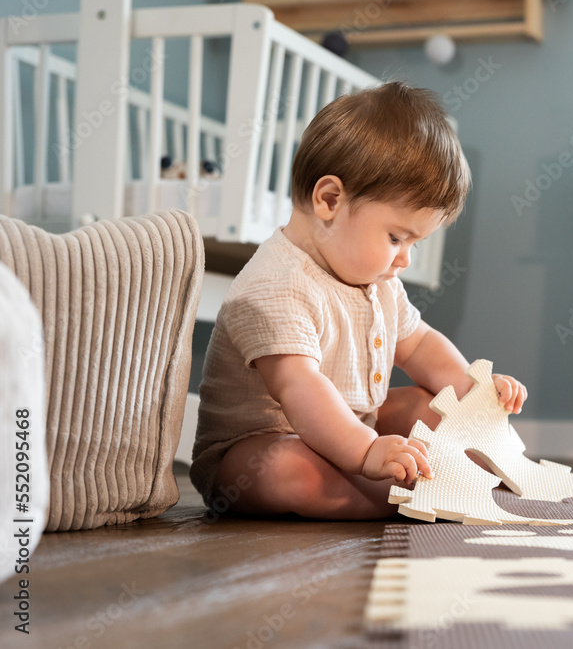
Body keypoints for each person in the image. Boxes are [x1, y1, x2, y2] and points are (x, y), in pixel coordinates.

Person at [189, 82, 528, 520]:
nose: (404, 258)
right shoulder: (275, 285)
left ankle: (466, 472)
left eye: (415, 243)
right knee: (286, 469)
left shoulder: (378, 281)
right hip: (257, 448)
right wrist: (367, 451)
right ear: (329, 200)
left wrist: (474, 392)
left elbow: (421, 345)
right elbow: (300, 388)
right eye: (395, 237)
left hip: (358, 432)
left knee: (429, 406)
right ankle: (392, 500)